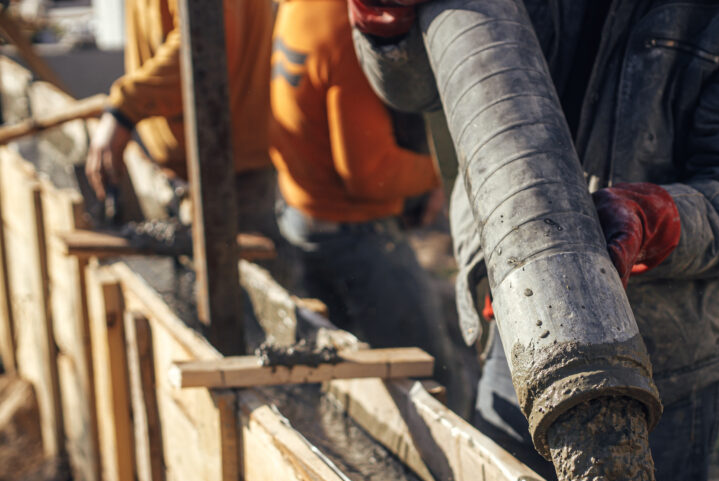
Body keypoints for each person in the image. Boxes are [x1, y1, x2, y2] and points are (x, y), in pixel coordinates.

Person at [348, 0, 719, 481]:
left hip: (663, 359)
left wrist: (658, 220)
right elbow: (423, 87)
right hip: (517, 308)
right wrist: (389, 32)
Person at [269, 0, 462, 408]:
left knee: (344, 388)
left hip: (300, 216)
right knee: (436, 379)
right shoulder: (349, 30)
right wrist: (440, 173)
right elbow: (369, 175)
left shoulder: (300, 8)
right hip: (355, 236)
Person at [86, 0, 276, 238]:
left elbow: (204, 44)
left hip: (228, 171)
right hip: (192, 167)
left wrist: (122, 111)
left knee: (245, 267)